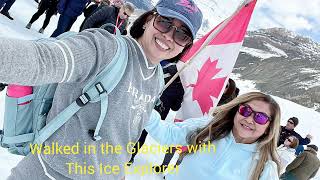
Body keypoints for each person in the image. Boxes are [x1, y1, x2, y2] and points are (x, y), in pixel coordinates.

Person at [1, 0, 202, 179]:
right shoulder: (107, 49)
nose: (169, 36)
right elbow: (42, 60)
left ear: (186, 46)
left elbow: (125, 134)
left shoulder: (156, 77)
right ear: (149, 19)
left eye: (182, 34)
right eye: (165, 22)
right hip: (48, 173)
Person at [145, 92, 281, 180]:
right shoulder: (208, 128)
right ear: (236, 110)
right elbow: (169, 135)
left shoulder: (264, 167)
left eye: (261, 118)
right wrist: (142, 109)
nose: (250, 120)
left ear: (269, 126)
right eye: (246, 110)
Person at [152, 77, 240, 173]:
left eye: (226, 86)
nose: (223, 87)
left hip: (201, 129)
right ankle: (163, 166)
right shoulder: (208, 92)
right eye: (223, 84)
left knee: (186, 150)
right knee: (174, 143)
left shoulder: (227, 105)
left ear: (229, 90)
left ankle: (175, 172)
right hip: (189, 118)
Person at [128, 59, 185, 165]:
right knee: (141, 133)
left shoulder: (164, 69)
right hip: (154, 110)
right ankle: (130, 155)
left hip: (145, 105)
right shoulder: (181, 87)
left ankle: (127, 154)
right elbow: (175, 107)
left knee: (134, 129)